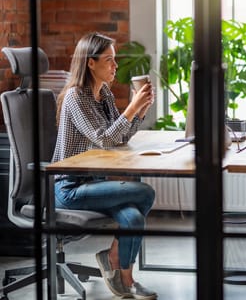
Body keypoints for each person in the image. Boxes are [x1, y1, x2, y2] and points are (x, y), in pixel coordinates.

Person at [53, 32, 157, 300]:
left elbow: (119, 137)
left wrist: (140, 111)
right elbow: (105, 138)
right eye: (109, 60)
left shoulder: (105, 93)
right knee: (145, 193)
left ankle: (125, 276)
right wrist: (131, 109)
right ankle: (117, 266)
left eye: (115, 60)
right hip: (71, 188)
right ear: (90, 62)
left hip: (95, 184)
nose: (115, 66)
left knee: (133, 218)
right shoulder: (76, 98)